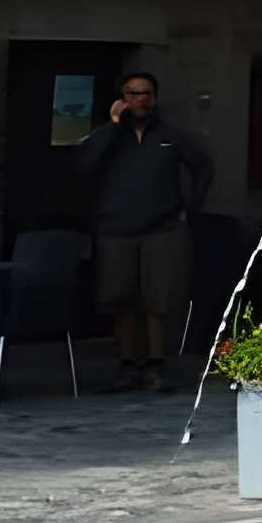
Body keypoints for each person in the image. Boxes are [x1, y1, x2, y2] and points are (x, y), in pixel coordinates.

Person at [72, 70, 213, 389]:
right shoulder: (106, 136)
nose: (141, 99)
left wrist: (190, 205)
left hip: (162, 229)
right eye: (134, 93)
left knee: (157, 299)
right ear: (122, 98)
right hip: (115, 229)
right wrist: (112, 126)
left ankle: (155, 366)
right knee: (120, 298)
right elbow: (84, 166)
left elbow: (203, 165)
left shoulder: (171, 136)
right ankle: (126, 365)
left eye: (147, 93)